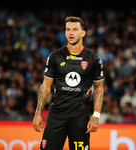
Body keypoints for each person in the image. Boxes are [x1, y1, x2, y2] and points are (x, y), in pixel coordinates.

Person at [33, 16, 104, 150]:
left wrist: (96, 115)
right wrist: (37, 113)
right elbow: (45, 87)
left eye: (75, 29)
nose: (71, 33)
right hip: (56, 114)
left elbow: (99, 88)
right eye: (68, 30)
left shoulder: (93, 59)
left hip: (80, 116)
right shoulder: (55, 56)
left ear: (83, 33)